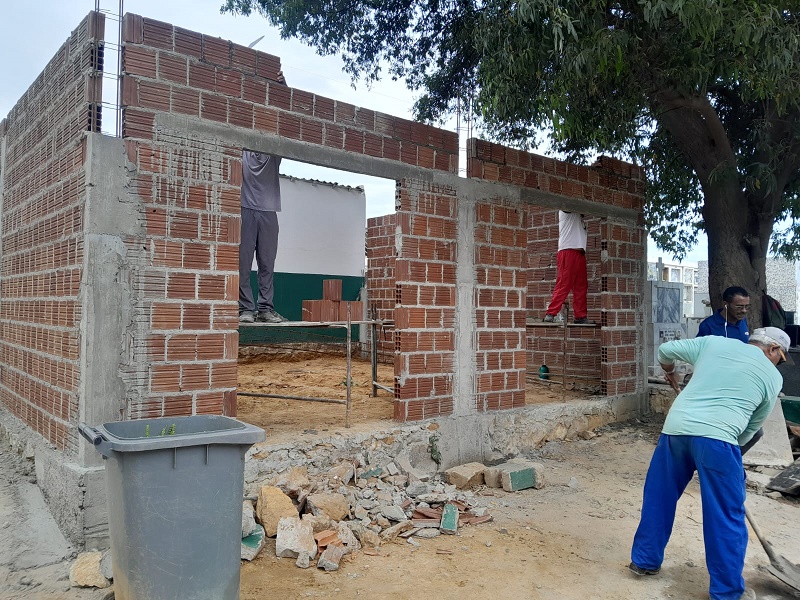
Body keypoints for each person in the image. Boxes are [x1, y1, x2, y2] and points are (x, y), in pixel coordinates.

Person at [629, 327, 790, 600]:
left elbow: (665, 351)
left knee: (659, 497)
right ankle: (727, 591)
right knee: (725, 514)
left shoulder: (713, 344)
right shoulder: (773, 378)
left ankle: (644, 561)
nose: (778, 364)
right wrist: (728, 455)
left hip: (675, 432)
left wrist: (670, 371)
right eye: (781, 358)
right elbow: (753, 427)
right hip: (720, 440)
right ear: (773, 349)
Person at [238, 150, 288, 324]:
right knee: (243, 264)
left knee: (267, 264)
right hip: (244, 209)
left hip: (268, 211)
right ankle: (245, 309)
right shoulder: (242, 152)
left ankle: (265, 309)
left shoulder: (272, 154)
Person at [543, 211, 593, 324]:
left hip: (580, 253)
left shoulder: (579, 217)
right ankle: (551, 313)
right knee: (564, 283)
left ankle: (580, 316)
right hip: (568, 250)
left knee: (581, 286)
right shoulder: (567, 209)